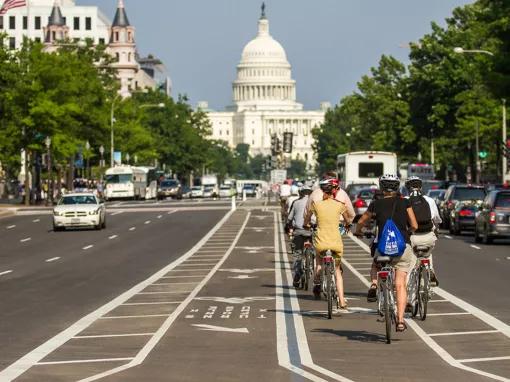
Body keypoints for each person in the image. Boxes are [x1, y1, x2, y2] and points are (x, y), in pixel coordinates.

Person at [355, 174, 418, 332]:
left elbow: (362, 220)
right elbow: (415, 225)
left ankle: (376, 284)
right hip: (403, 246)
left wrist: (358, 231)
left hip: (383, 247)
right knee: (400, 284)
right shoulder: (405, 202)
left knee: (376, 264)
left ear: (382, 188)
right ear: (398, 187)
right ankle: (401, 320)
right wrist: (408, 232)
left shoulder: (376, 204)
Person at [304, 178, 351, 310]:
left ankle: (318, 277)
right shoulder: (339, 204)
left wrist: (306, 224)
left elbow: (307, 218)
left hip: (321, 242)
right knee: (337, 271)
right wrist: (347, 224)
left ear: (323, 192)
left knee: (319, 261)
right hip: (335, 242)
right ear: (333, 192)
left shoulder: (316, 204)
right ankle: (341, 300)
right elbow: (347, 220)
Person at [405, 176, 441, 286]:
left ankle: (408, 295)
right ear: (420, 187)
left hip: (412, 236)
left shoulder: (405, 200)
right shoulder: (429, 200)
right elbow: (437, 219)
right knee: (427, 252)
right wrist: (436, 230)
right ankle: (430, 269)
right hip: (428, 236)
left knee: (410, 263)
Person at [287, 185, 313, 287]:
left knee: (297, 254)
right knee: (316, 250)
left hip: (298, 231)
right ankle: (312, 260)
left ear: (300, 193)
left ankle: (297, 275)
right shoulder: (315, 203)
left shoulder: (296, 203)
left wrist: (289, 226)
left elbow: (289, 218)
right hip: (311, 231)